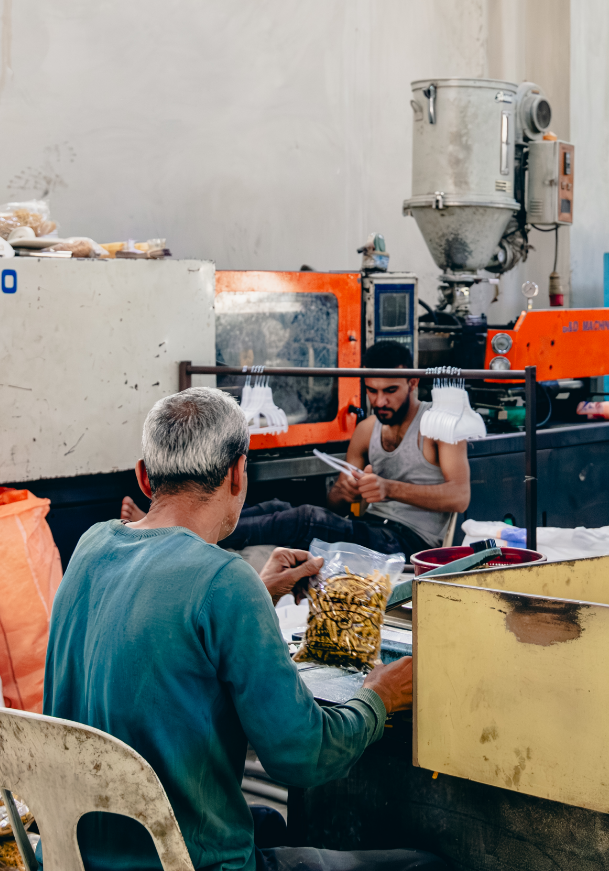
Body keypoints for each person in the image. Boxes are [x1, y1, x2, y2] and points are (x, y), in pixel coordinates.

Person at [48, 387, 444, 871]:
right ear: (238, 473)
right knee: (427, 864)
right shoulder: (224, 582)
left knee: (268, 822)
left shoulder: (92, 545)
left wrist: (258, 593)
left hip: (82, 853)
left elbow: (169, 627)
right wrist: (379, 698)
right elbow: (303, 755)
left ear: (145, 476)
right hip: (183, 861)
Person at [120, 341, 470, 556]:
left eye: (390, 391)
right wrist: (345, 491)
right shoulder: (366, 430)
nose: (379, 401)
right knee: (278, 507)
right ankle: (171, 523)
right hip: (369, 527)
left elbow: (460, 497)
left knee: (305, 520)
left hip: (409, 544)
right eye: (372, 391)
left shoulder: (438, 425)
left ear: (413, 382)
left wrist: (388, 488)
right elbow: (337, 504)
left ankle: (178, 536)